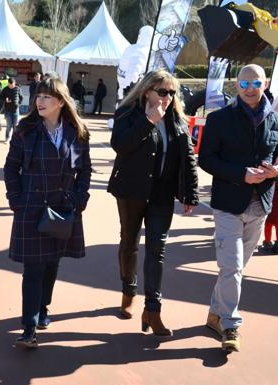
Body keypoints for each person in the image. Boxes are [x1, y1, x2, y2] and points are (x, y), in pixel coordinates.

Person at [199, 64, 278, 352]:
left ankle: (216, 312)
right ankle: (230, 325)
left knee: (235, 269)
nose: (250, 88)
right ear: (236, 85)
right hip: (228, 204)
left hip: (260, 205)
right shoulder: (219, 119)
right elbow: (206, 159)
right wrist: (241, 173)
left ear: (264, 85)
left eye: (255, 83)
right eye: (244, 83)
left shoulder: (276, 119)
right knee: (233, 267)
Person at [107, 69, 199, 336]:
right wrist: (148, 121)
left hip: (162, 194)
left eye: (172, 93)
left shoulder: (177, 119)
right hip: (131, 191)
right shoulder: (127, 112)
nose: (168, 97)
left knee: (157, 250)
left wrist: (190, 193)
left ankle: (153, 309)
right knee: (129, 243)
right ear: (147, 90)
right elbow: (120, 145)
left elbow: (188, 157)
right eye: (162, 91)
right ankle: (128, 291)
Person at [4, 76, 92, 349]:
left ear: (61, 102)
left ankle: (43, 308)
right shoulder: (25, 129)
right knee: (33, 268)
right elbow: (11, 167)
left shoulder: (77, 131)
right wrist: (16, 199)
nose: (39, 102)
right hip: (30, 207)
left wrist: (79, 198)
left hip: (63, 208)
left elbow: (85, 169)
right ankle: (29, 327)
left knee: (52, 263)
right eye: (38, 97)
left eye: (46, 97)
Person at [0, 77, 23, 143]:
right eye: (10, 85)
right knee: (9, 125)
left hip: (16, 110)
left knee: (15, 126)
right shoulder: (5, 89)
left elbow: (21, 97)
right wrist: (5, 99)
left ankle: (14, 139)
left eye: (13, 85)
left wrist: (19, 104)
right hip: (8, 110)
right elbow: (1, 97)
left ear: (14, 83)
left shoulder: (18, 89)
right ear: (8, 83)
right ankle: (7, 138)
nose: (11, 86)